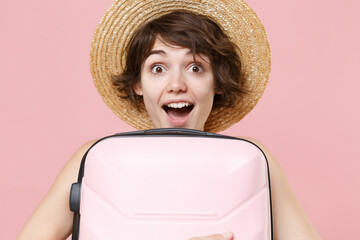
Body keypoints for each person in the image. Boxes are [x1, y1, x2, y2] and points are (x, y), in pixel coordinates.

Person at [18, 0, 321, 239]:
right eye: (158, 68)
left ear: (217, 82)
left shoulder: (256, 158)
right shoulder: (92, 157)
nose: (176, 84)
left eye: (195, 68)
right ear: (138, 83)